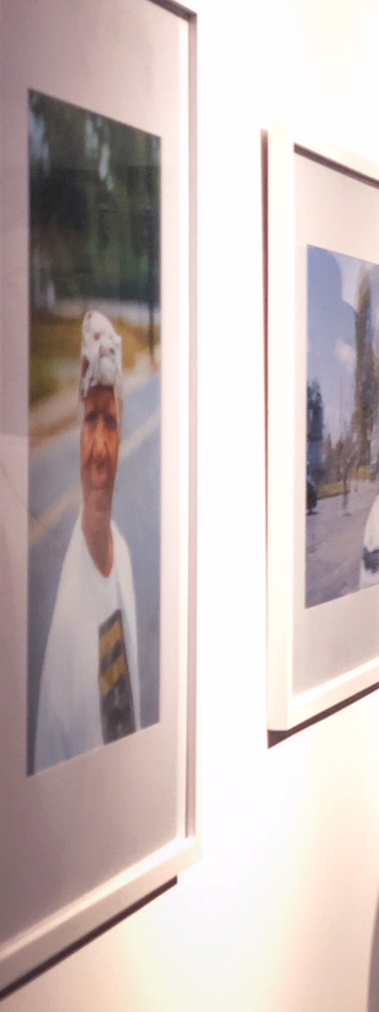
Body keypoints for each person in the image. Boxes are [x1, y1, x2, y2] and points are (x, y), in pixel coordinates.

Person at [34, 311, 142, 772]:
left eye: (111, 424)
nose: (99, 448)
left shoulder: (126, 557)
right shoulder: (68, 619)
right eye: (90, 421)